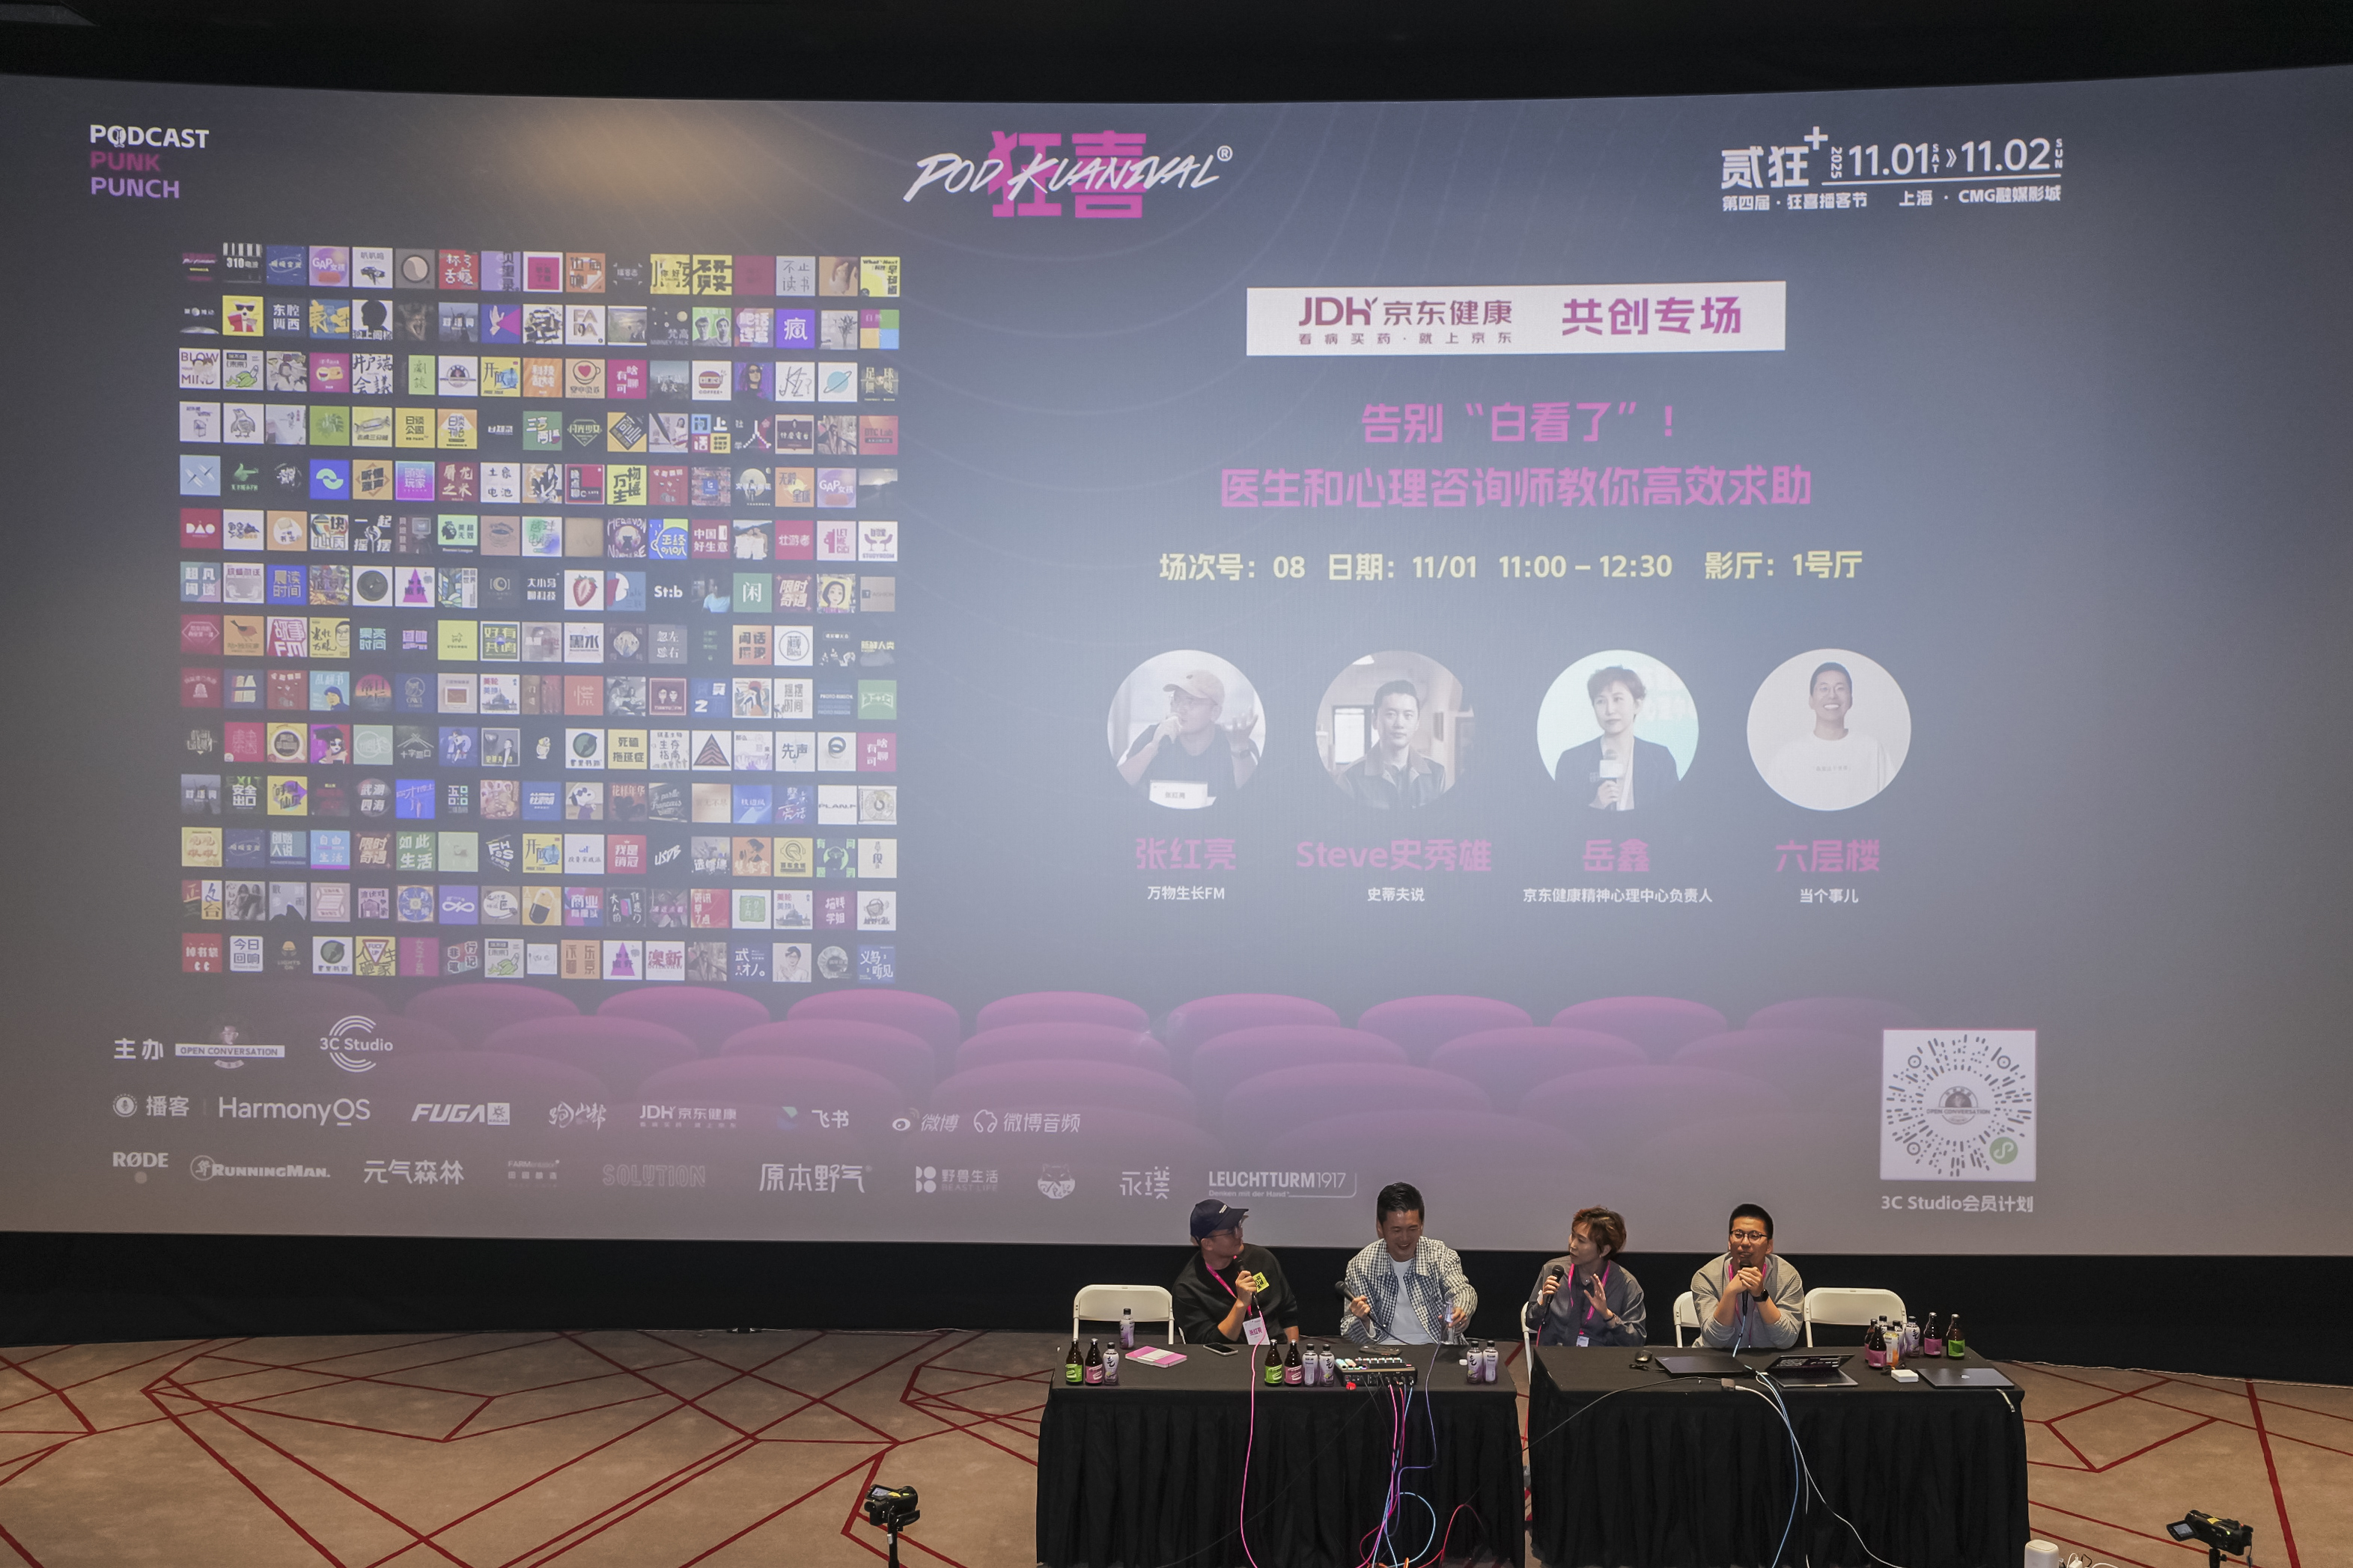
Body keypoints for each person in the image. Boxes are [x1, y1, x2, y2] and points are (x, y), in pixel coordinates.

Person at [1341, 1182, 1476, 1345]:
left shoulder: (1441, 1255)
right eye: (1396, 1230)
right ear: (1380, 1227)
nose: (1405, 1238)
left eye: (1412, 1229)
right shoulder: (1361, 1266)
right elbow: (1348, 1332)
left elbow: (1462, 1290)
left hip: (1437, 1347)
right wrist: (1362, 1321)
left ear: (1422, 1225)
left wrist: (1461, 1311)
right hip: (1383, 1350)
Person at [1766, 661, 1896, 809]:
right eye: (1824, 688)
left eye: (1840, 688)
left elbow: (1891, 803)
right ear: (1811, 700)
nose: (1832, 695)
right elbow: (1774, 809)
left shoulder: (1872, 749)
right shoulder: (1788, 756)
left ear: (1851, 700)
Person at [1171, 1199, 1301, 1346]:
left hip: (1276, 1351)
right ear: (1208, 1244)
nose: (1239, 1234)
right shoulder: (1188, 1288)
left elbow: (1289, 1315)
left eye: (1238, 1226)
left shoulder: (1261, 1259)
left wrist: (1292, 1352)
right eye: (1230, 1232)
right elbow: (1210, 1344)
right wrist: (1241, 1304)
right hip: (1229, 1357)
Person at [1118, 669, 1260, 801]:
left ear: (1215, 712)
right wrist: (1153, 746)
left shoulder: (1236, 742)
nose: (1180, 709)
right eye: (1176, 700)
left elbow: (1253, 797)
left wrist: (1239, 749)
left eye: (1191, 702)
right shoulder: (1154, 735)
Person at [1556, 665, 1678, 811]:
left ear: (1637, 705)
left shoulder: (1660, 759)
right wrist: (1596, 805)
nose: (1610, 710)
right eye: (1601, 701)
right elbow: (1562, 817)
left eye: (1617, 699)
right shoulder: (1572, 761)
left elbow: (1674, 813)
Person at [1523, 1206, 1646, 1347]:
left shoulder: (1626, 1285)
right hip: (1554, 1356)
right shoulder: (1553, 1271)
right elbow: (1531, 1321)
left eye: (1581, 1240)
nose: (1572, 1245)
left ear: (1604, 1250)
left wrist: (1608, 1315)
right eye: (1573, 1235)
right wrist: (1542, 1302)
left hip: (1599, 1358)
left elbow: (1636, 1342)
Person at [1690, 1203, 1805, 1350]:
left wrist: (1761, 1295)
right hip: (1715, 1358)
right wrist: (1730, 1292)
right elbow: (1716, 1340)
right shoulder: (1706, 1277)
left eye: (1754, 1236)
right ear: (1729, 1241)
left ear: (1769, 1246)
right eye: (1738, 1235)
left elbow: (1786, 1340)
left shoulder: (1787, 1277)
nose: (1745, 1243)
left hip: (1766, 1359)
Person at [1333, 680, 1448, 808]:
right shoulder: (1350, 778)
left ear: (1417, 723)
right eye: (1391, 714)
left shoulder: (1437, 774)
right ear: (1375, 720)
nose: (1399, 724)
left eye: (1408, 715)